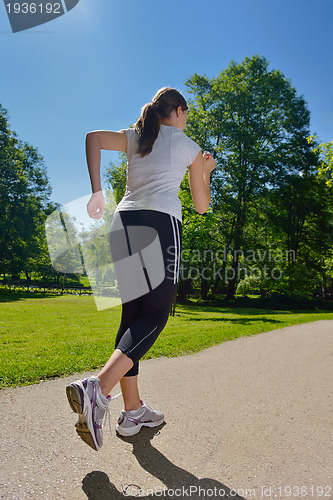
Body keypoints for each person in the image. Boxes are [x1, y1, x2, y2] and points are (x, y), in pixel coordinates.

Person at [66, 87, 216, 451]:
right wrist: (206, 171)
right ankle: (97, 388)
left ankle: (133, 411)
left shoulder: (138, 136)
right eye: (186, 114)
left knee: (132, 315)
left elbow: (93, 138)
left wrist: (97, 191)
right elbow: (201, 206)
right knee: (156, 314)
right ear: (178, 111)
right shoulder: (189, 146)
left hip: (124, 223)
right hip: (160, 224)